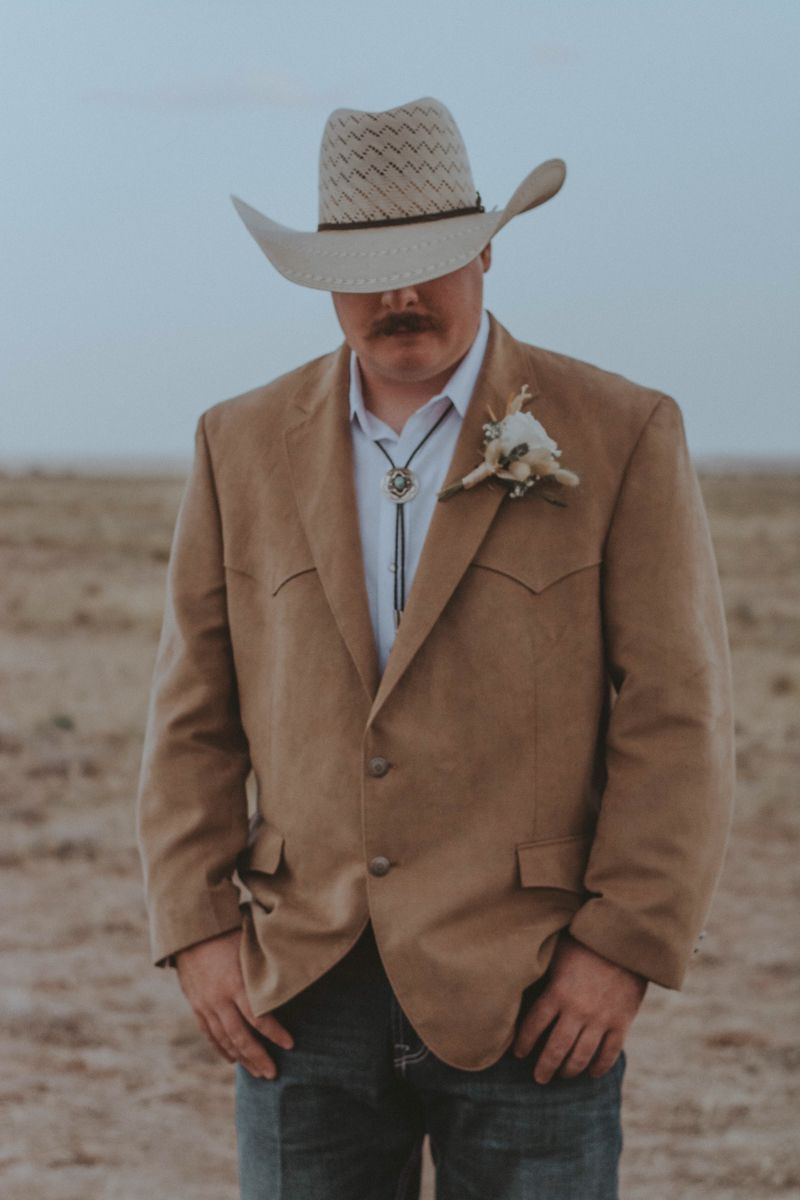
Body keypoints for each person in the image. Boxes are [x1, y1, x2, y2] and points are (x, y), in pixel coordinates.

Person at [136, 97, 736, 1199]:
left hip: (535, 984)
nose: (400, 296)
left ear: (486, 251)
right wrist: (197, 930)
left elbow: (677, 713)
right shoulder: (237, 442)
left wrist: (622, 947)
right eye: (366, 271)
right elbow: (193, 715)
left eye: (429, 263)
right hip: (301, 988)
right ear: (323, 279)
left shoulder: (620, 430)